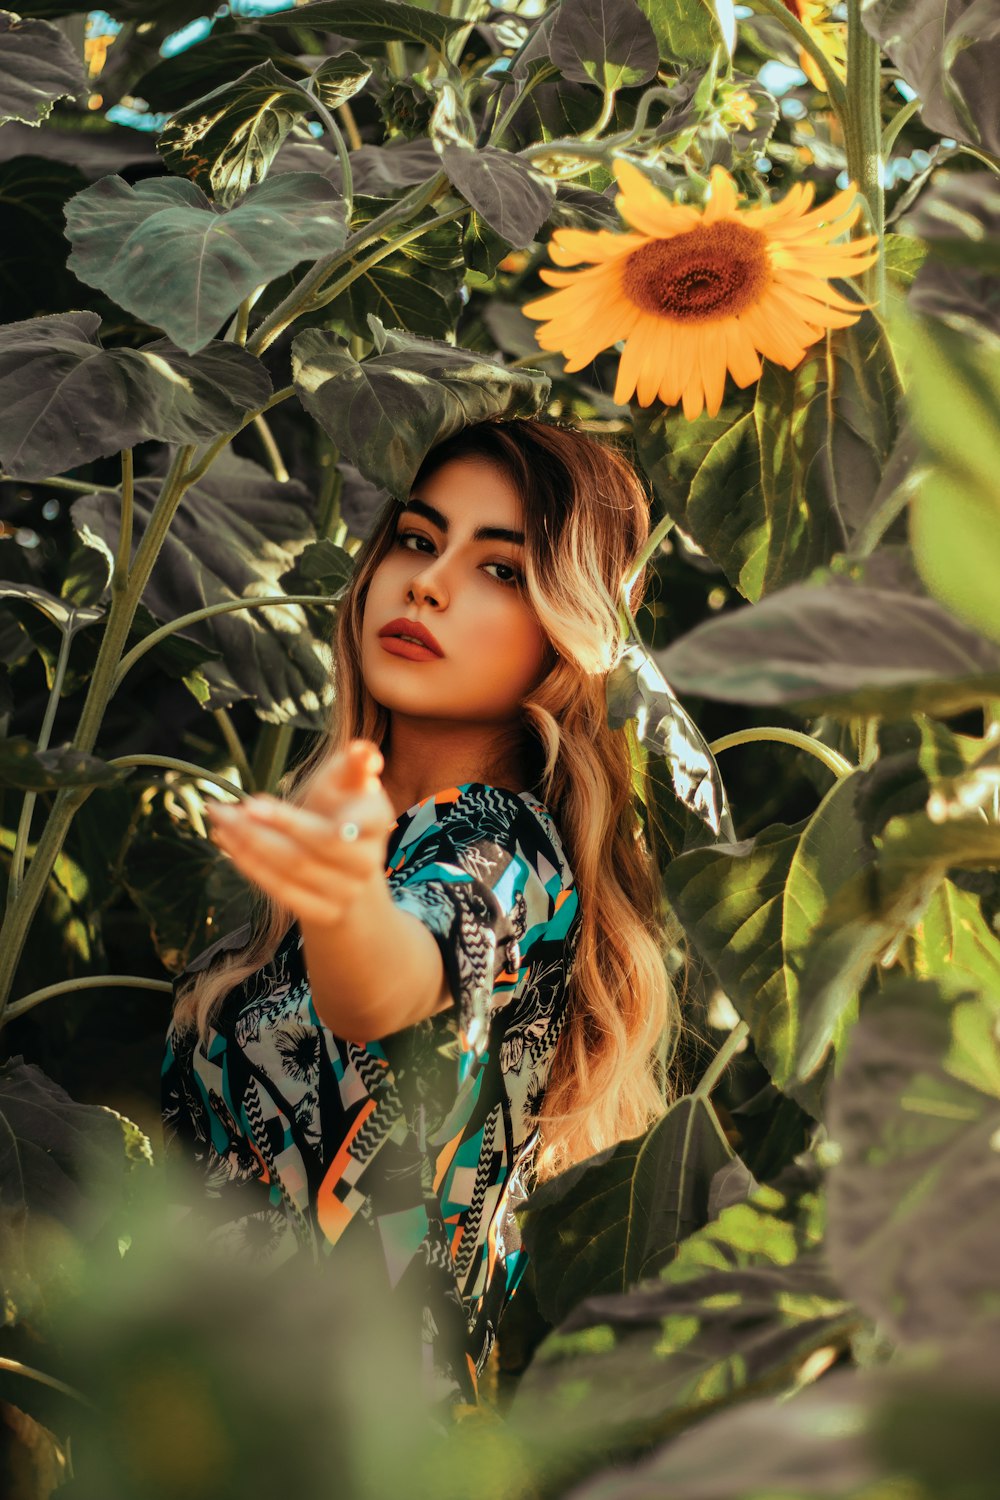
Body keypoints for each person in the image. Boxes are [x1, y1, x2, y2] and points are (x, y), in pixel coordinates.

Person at [160, 417, 683, 1414]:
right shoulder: (333, 864)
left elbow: (389, 979)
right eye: (415, 538)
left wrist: (349, 900)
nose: (427, 581)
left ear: (561, 638)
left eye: (499, 570)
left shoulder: (508, 846)